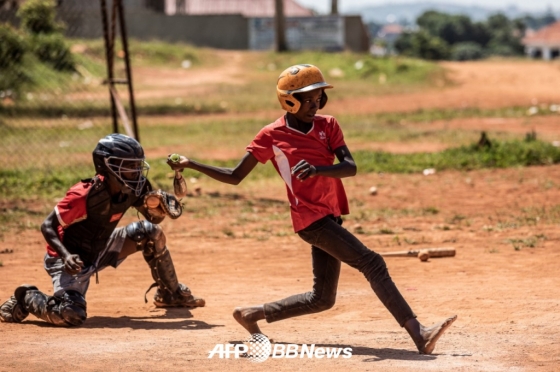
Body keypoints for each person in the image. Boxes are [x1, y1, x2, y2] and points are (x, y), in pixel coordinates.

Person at [166, 64, 456, 354]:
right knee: (372, 263)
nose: (314, 106)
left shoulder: (327, 126)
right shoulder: (271, 135)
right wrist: (191, 164)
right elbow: (234, 176)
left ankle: (251, 314)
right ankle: (419, 334)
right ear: (289, 101)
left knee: (322, 299)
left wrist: (318, 169)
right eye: (307, 100)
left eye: (318, 99)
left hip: (330, 216)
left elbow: (350, 167)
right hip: (310, 221)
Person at [0, 133, 204, 327]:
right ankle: (25, 297)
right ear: (107, 166)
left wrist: (157, 207)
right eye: (129, 167)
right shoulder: (84, 195)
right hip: (71, 260)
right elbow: (48, 226)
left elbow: (153, 219)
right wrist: (66, 256)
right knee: (70, 314)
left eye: (137, 166)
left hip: (102, 247)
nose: (137, 172)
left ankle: (171, 293)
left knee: (150, 233)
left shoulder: (136, 185)